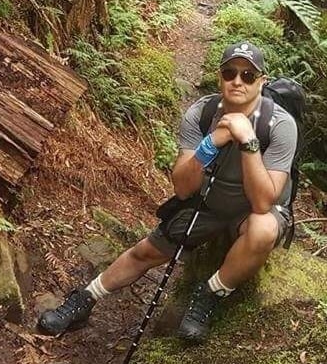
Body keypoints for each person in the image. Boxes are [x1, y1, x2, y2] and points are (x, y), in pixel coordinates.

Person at [38, 41, 297, 342]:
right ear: (220, 77)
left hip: (251, 211)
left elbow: (264, 202)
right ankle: (84, 299)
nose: (237, 81)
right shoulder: (201, 114)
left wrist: (249, 142)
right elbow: (184, 188)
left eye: (248, 75)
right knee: (145, 251)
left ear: (262, 81)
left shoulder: (279, 125)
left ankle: (210, 293)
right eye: (230, 73)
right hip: (207, 205)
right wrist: (211, 143)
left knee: (263, 229)